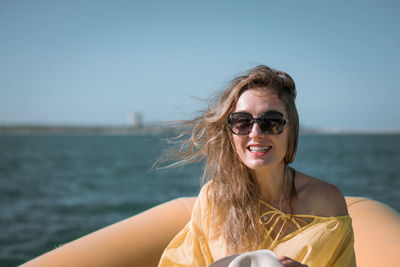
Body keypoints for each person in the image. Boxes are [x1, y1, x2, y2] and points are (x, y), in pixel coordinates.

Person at [158, 65, 356, 267]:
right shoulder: (213, 199)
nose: (256, 133)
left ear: (291, 130)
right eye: (242, 122)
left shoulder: (328, 202)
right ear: (230, 133)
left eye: (271, 121)